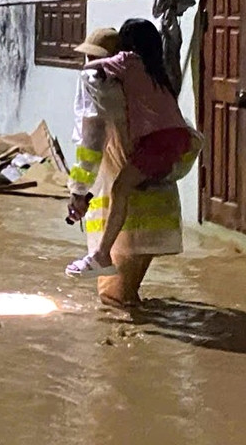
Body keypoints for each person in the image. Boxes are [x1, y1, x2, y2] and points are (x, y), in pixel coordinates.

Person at [65, 20, 201, 309]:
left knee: (112, 299)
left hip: (124, 220)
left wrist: (77, 190)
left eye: (92, 58)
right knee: (129, 296)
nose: (87, 65)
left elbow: (88, 151)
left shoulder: (103, 94)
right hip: (159, 204)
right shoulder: (152, 81)